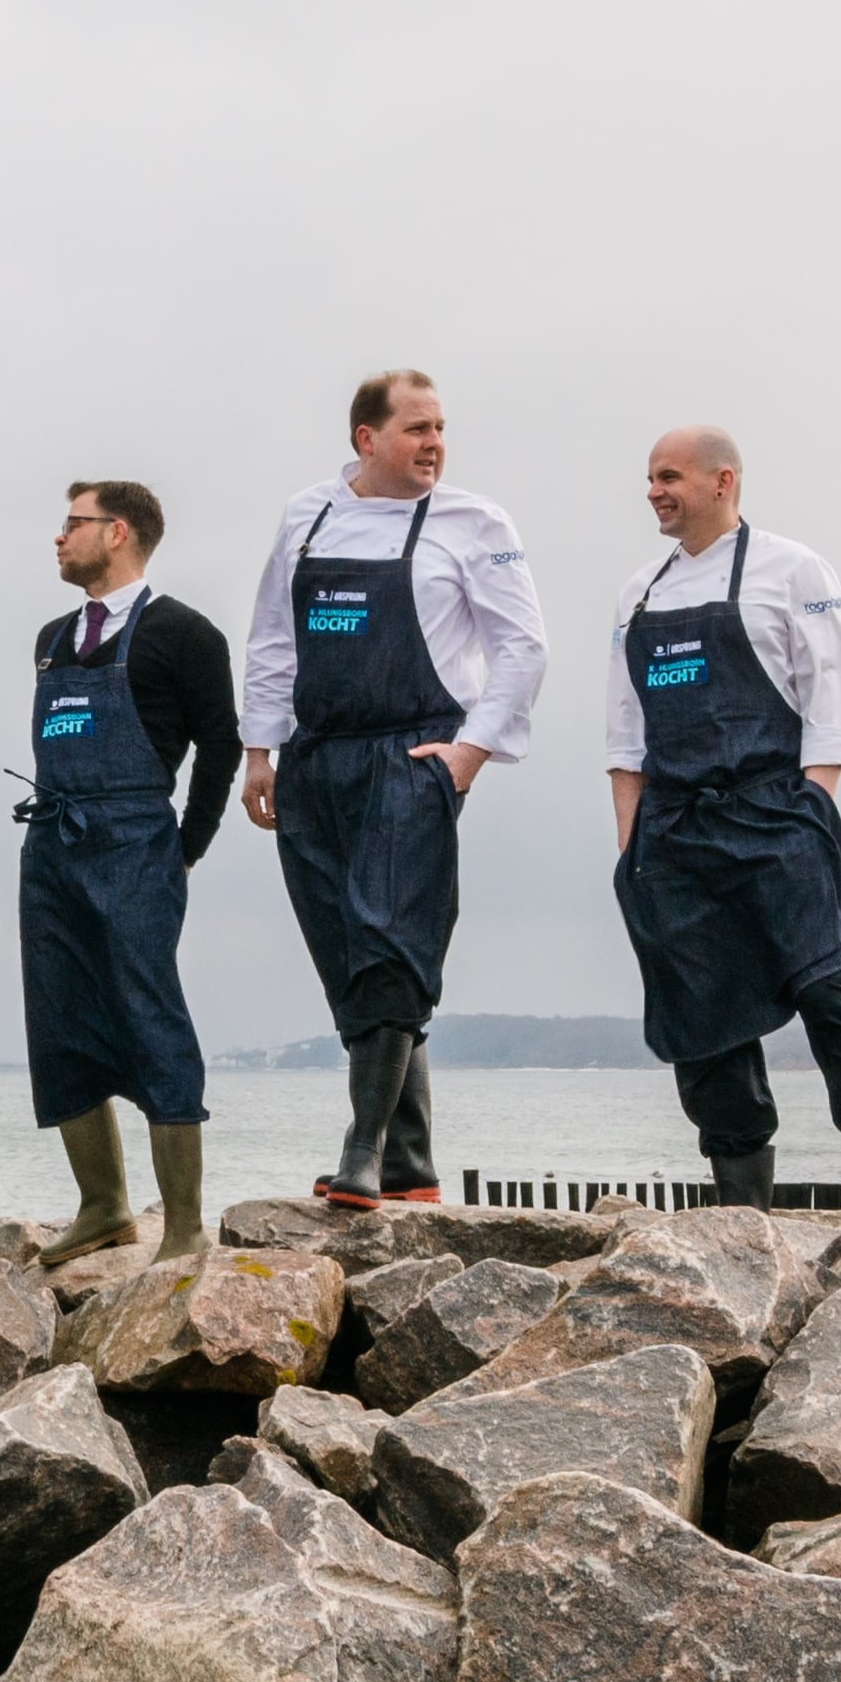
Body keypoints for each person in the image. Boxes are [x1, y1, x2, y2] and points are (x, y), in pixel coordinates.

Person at [603, 424, 841, 1231]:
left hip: (775, 814)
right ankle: (742, 1214)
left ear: (724, 481)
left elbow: (832, 696)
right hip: (673, 834)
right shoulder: (638, 593)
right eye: (649, 478)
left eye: (669, 476)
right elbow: (623, 731)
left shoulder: (794, 569)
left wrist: (812, 806)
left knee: (833, 992)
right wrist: (633, 845)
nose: (654, 491)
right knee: (703, 1020)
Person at [240, 372, 545, 1206]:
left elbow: (524, 647)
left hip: (413, 754)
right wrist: (259, 749)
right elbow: (273, 635)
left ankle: (362, 1153)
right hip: (316, 757)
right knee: (344, 949)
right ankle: (410, 1164)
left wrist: (470, 754)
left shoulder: (474, 523)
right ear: (365, 439)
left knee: (390, 941)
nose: (434, 443)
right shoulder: (307, 515)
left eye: (441, 427)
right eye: (416, 428)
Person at [21, 479, 233, 1262]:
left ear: (117, 533)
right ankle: (103, 1206)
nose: (58, 537)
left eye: (72, 523)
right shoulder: (50, 637)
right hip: (51, 844)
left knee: (151, 1016)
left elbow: (222, 744)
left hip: (137, 842)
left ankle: (182, 1229)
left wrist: (187, 844)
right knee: (59, 1019)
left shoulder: (183, 632)